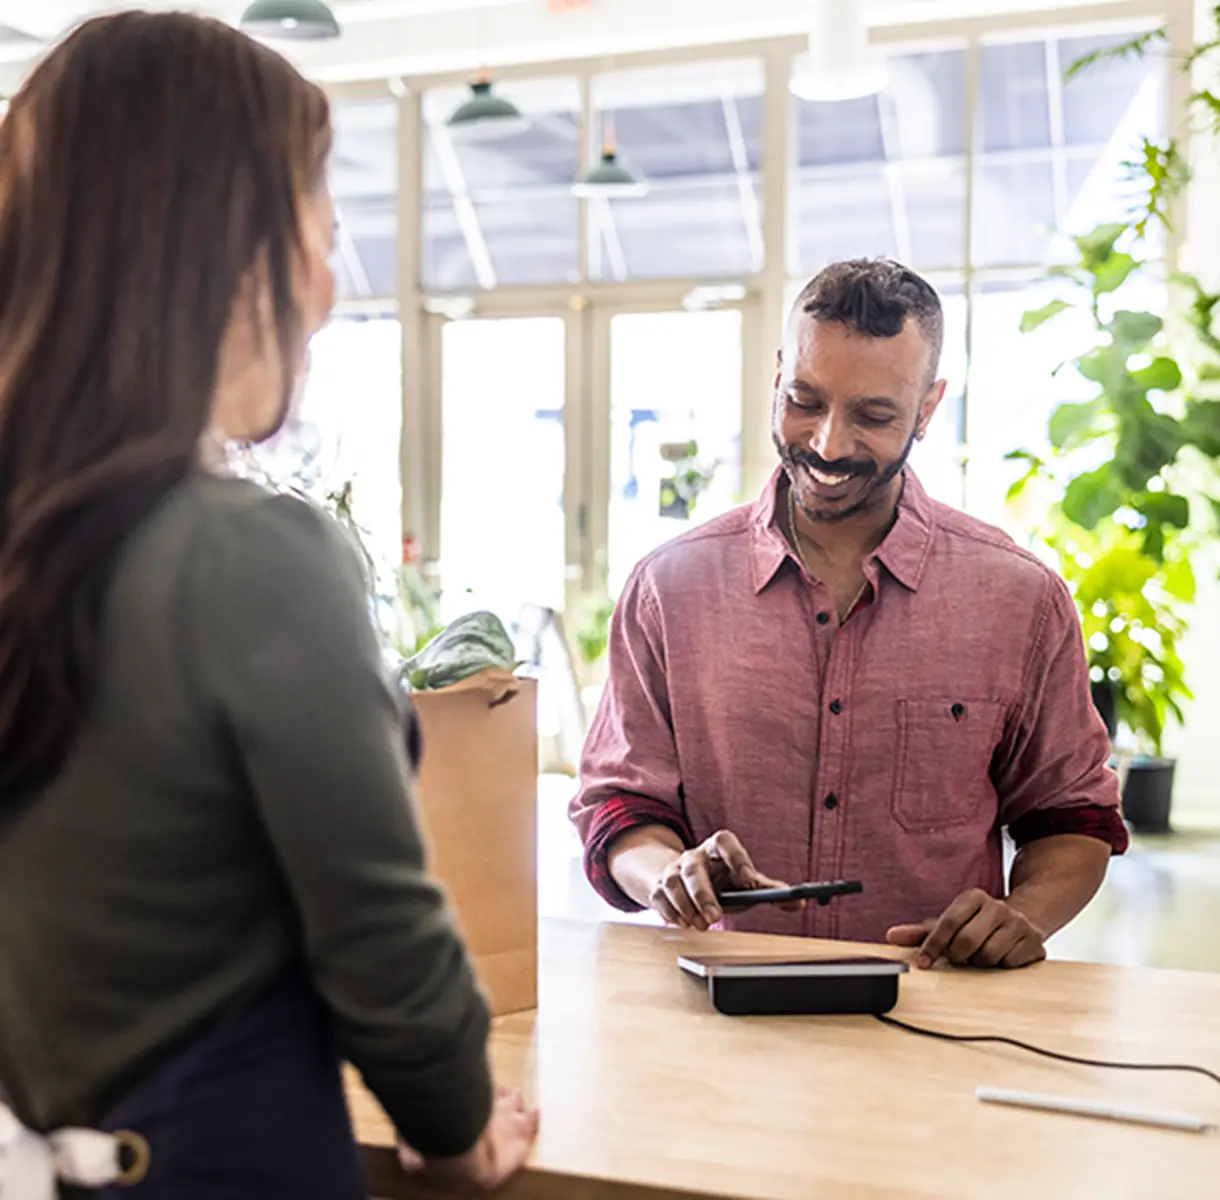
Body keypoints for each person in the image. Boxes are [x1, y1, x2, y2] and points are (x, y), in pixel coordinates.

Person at [0, 14, 536, 1198]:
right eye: (320, 226)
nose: (327, 285)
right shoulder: (249, 556)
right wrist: (456, 1124)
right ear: (228, 252)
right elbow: (382, 935)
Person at [571, 258, 1127, 971]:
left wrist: (1022, 918)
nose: (829, 444)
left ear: (927, 409)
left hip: (937, 1015)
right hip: (720, 1008)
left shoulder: (1019, 599)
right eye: (805, 400)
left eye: (873, 415)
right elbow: (618, 806)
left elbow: (1072, 818)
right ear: (777, 378)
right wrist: (665, 873)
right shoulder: (668, 588)